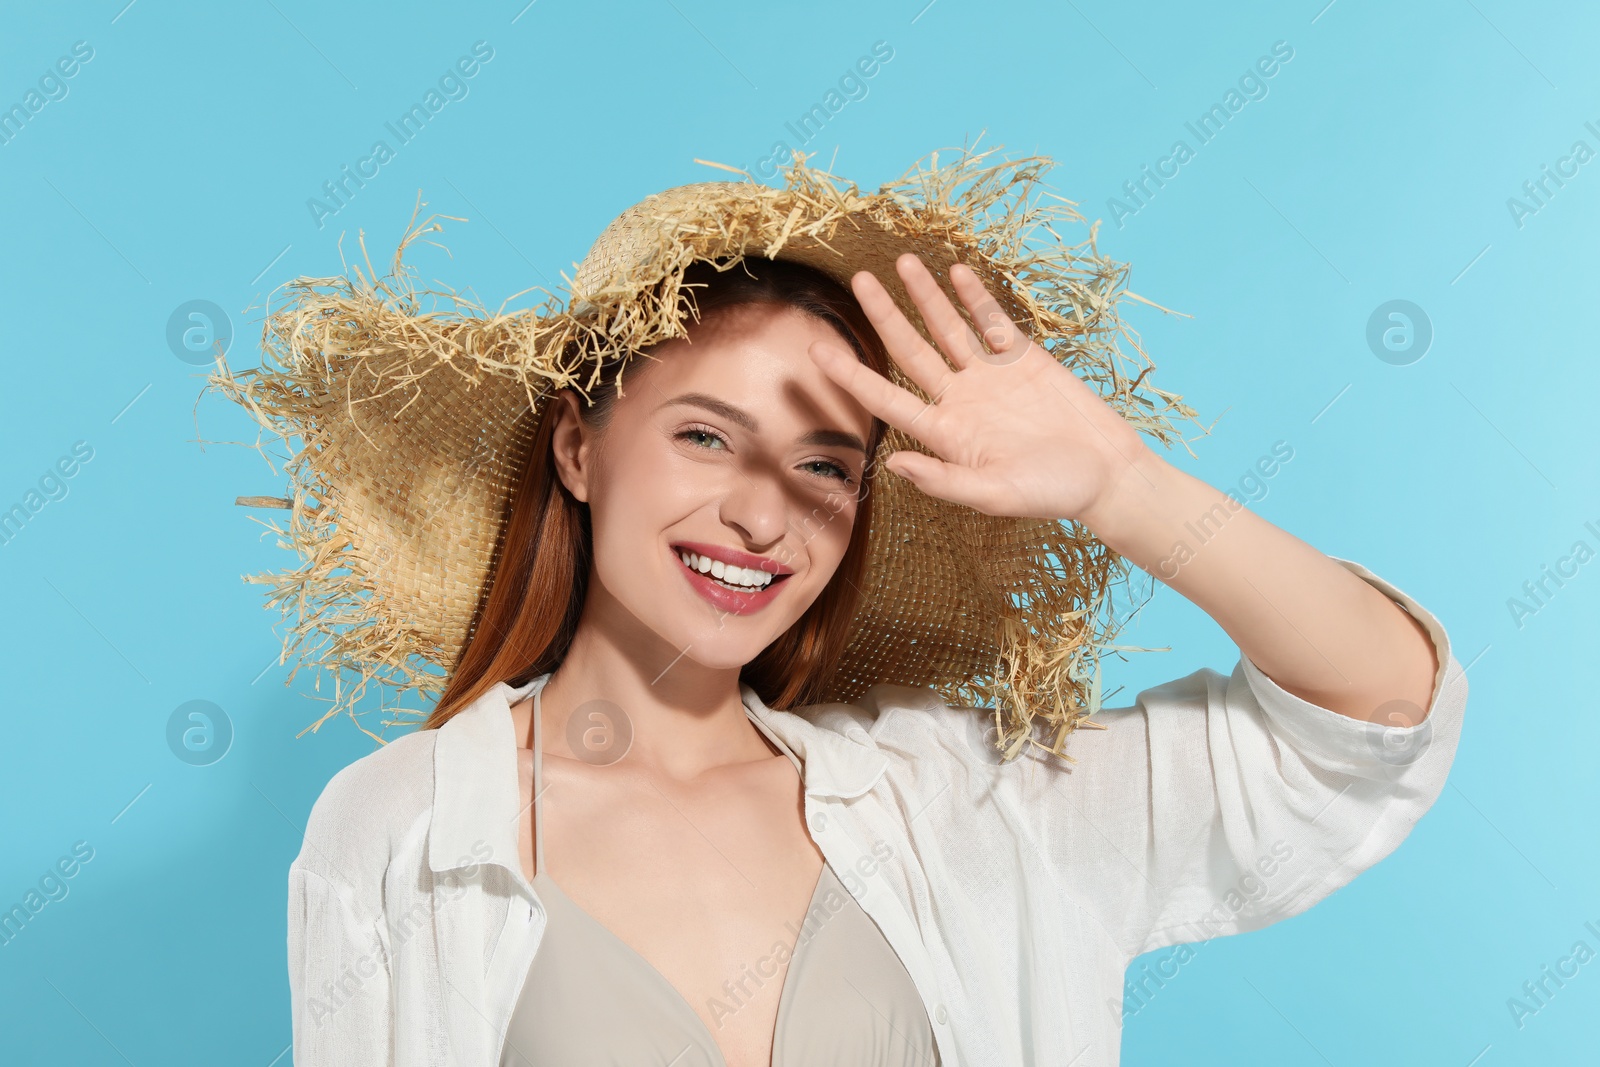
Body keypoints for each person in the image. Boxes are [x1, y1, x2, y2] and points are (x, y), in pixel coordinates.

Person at [255, 152, 1467, 1067]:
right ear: (578, 446)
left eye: (825, 464)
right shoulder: (402, 827)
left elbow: (1372, 713)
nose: (762, 516)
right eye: (704, 436)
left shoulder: (964, 801)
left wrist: (1123, 484)